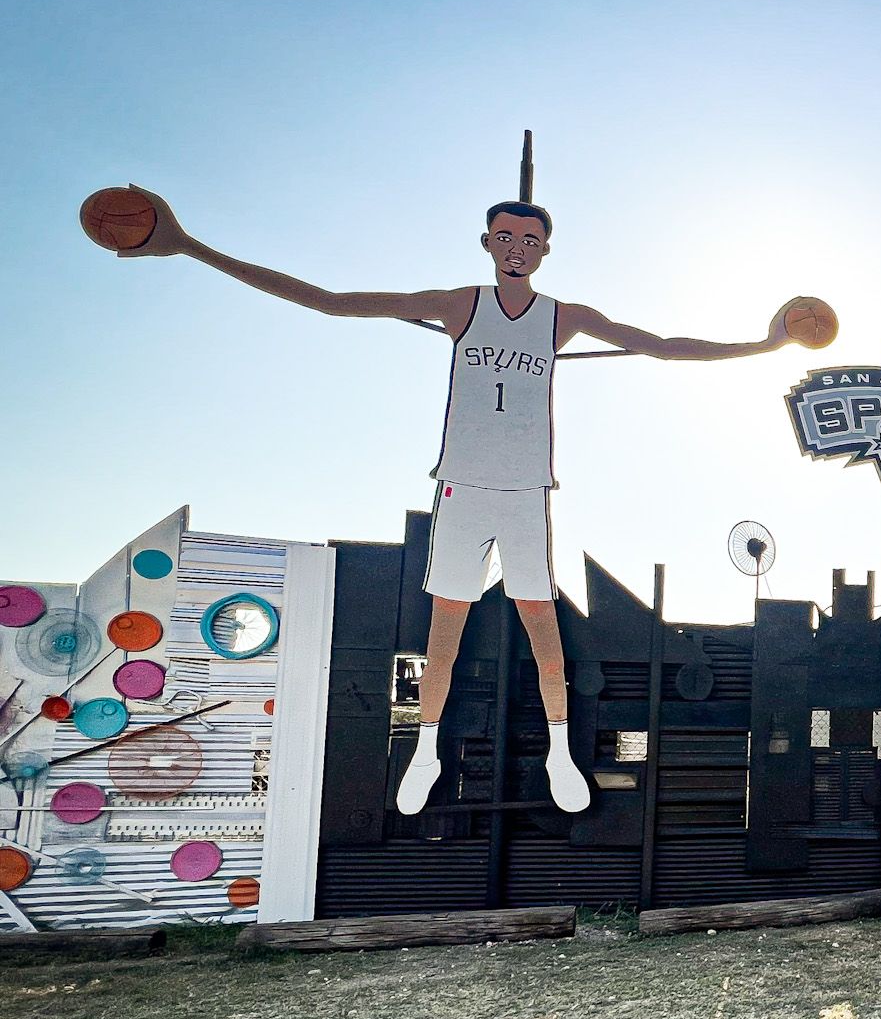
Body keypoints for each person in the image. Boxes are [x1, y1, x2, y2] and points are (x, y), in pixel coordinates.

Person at [119, 189, 812, 813]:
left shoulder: (563, 318)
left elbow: (662, 346)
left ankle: (560, 754)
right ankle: (426, 751)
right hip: (463, 487)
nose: (518, 250)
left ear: (545, 251)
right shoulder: (460, 306)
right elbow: (331, 301)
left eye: (531, 241)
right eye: (506, 238)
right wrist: (189, 246)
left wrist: (766, 343)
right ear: (488, 244)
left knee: (546, 635)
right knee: (442, 639)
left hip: (524, 492)